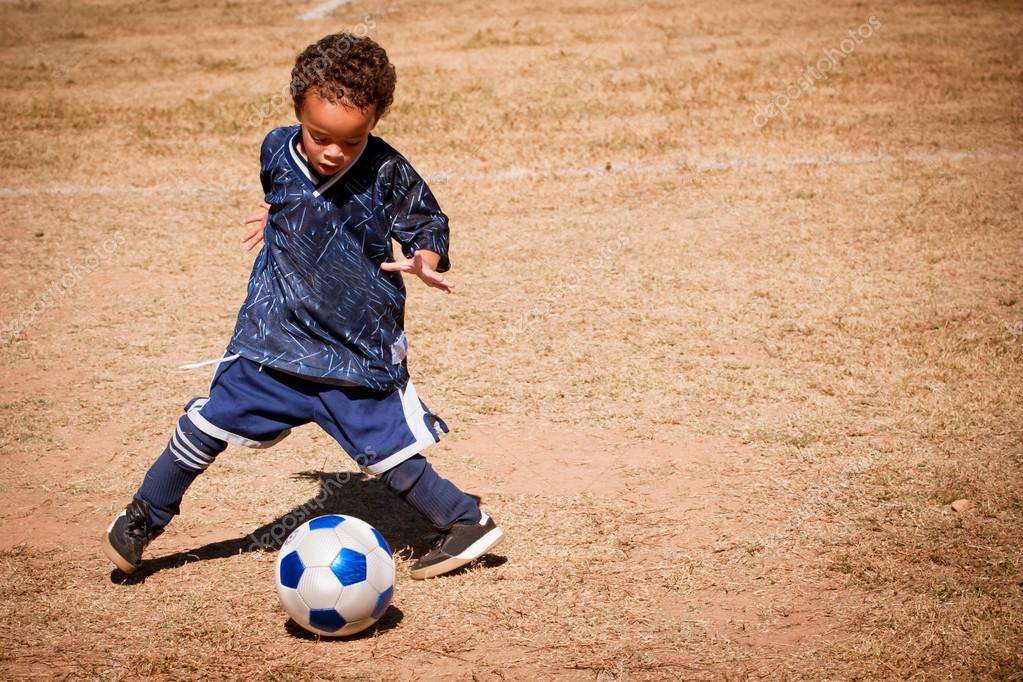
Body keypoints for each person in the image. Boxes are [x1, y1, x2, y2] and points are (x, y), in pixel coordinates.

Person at [102, 32, 503, 580]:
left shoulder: (387, 171)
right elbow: (286, 193)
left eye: (353, 140)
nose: (334, 151)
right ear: (297, 114)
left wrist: (425, 257)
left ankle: (464, 522)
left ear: (376, 122)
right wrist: (281, 217)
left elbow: (426, 222)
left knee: (386, 454)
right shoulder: (274, 148)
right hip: (276, 338)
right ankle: (144, 516)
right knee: (206, 423)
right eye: (320, 137)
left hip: (351, 349)